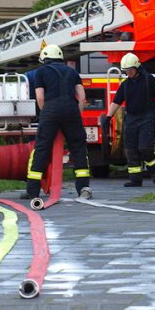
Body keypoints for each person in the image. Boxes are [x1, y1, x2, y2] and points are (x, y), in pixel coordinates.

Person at [23, 44, 92, 200]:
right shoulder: (72, 72)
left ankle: (33, 191)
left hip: (51, 110)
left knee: (42, 147)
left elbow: (40, 97)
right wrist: (76, 114)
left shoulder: (41, 72)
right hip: (71, 110)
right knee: (78, 147)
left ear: (44, 58)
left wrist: (46, 114)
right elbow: (82, 97)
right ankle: (83, 188)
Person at [104, 53, 155, 187]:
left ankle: (153, 169)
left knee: (145, 147)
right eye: (126, 71)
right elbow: (116, 102)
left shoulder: (149, 80)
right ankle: (135, 179)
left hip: (147, 116)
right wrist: (108, 117)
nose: (128, 73)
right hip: (131, 118)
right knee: (131, 149)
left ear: (137, 67)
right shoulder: (125, 85)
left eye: (130, 70)